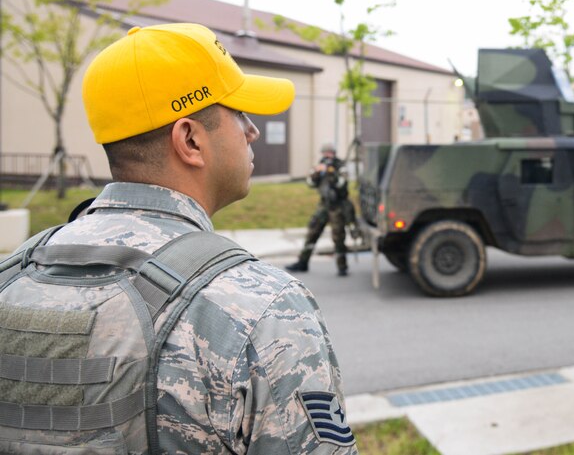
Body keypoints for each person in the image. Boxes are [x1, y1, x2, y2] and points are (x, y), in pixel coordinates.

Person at [29, 23, 357, 453]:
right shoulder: (263, 309)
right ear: (190, 140)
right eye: (239, 113)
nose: (252, 130)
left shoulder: (12, 277)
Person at [286, 143, 354, 276]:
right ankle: (303, 262)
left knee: (338, 236)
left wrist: (331, 171)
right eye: (325, 153)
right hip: (324, 205)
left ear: (334, 153)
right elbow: (310, 183)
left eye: (329, 153)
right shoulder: (320, 165)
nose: (327, 156)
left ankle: (342, 266)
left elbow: (342, 184)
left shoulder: (340, 167)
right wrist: (316, 173)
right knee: (312, 232)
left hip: (337, 206)